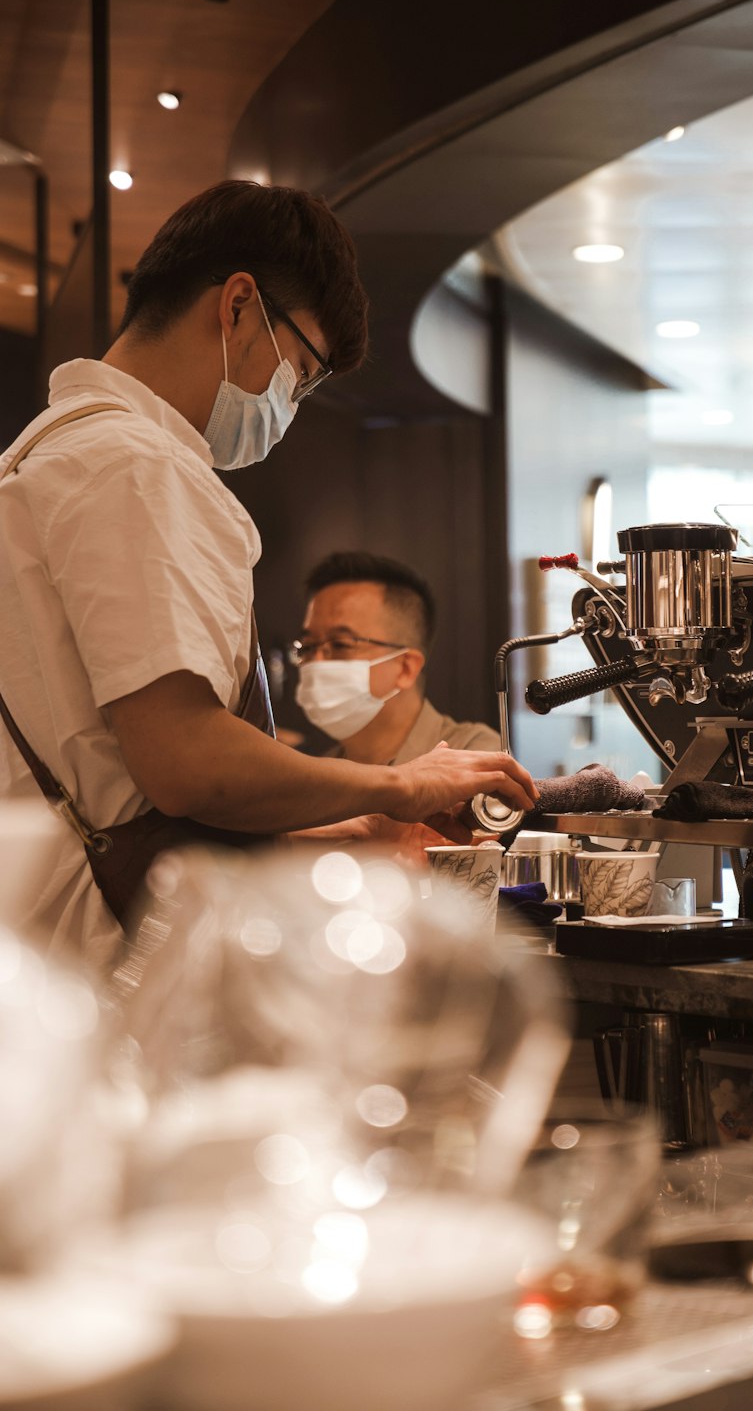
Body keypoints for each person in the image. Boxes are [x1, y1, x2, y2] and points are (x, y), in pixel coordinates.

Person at [0, 180, 536, 971]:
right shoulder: (139, 464)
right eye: (303, 368)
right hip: (106, 963)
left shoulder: (39, 456)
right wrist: (396, 786)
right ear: (240, 306)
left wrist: (335, 820)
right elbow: (184, 762)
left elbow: (114, 775)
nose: (294, 401)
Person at [294, 550, 502, 765]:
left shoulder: (472, 751)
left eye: (340, 644)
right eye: (308, 647)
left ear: (406, 668)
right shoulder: (325, 773)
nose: (316, 662)